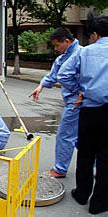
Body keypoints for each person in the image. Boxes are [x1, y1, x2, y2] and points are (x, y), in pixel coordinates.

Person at [58, 16, 108, 215]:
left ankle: (81, 194)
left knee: (86, 154)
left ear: (95, 35)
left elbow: (63, 75)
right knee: (106, 157)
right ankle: (99, 203)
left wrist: (78, 90)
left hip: (89, 109)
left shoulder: (84, 52)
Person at [29, 27, 81, 178]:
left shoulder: (82, 53)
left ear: (66, 41)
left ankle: (60, 169)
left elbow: (87, 76)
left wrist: (81, 92)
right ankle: (98, 165)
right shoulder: (62, 58)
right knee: (79, 136)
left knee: (65, 135)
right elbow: (52, 76)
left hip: (77, 102)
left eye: (57, 45)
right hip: (76, 101)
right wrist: (40, 86)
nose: (56, 49)